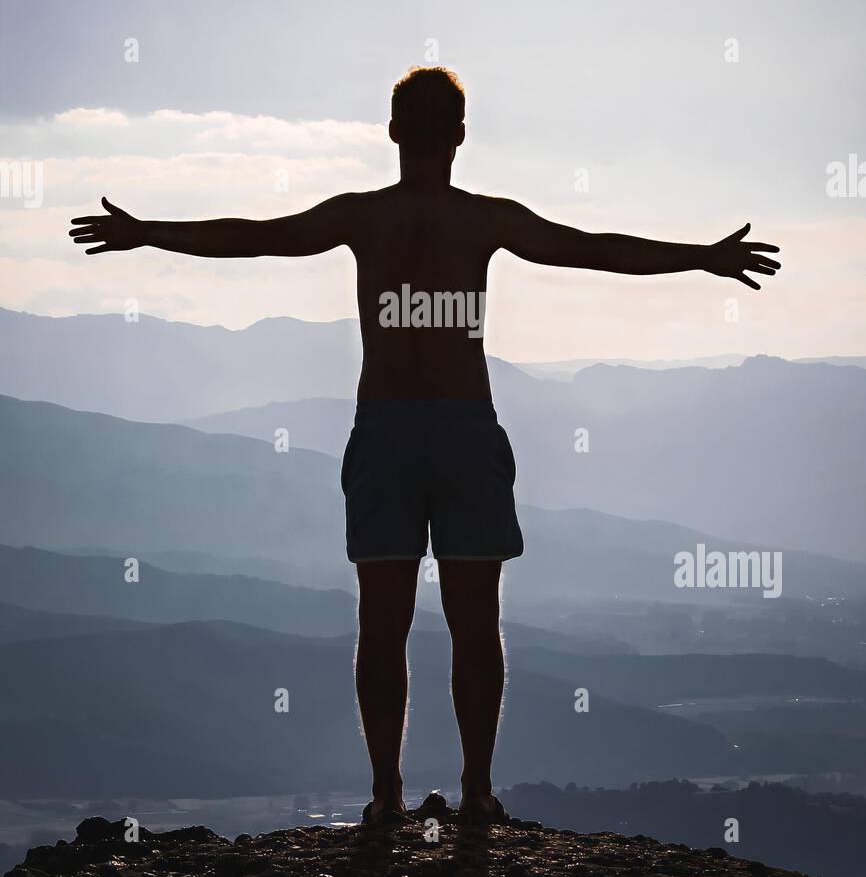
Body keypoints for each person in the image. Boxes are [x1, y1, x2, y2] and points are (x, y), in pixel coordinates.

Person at [70, 65, 781, 824]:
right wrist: (700, 256)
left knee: (386, 621)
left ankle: (389, 795)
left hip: (392, 429)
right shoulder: (483, 220)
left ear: (393, 130)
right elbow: (592, 248)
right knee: (473, 620)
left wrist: (149, 233)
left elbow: (257, 236)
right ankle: (472, 793)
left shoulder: (365, 216)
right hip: (461, 427)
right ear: (460, 136)